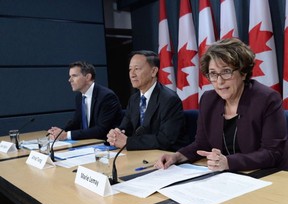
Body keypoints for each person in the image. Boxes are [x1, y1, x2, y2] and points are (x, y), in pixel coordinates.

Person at [155, 38, 288, 171]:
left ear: (243, 73)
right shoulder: (208, 100)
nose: (219, 81)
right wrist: (176, 157)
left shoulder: (267, 99)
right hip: (226, 177)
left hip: (267, 175)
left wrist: (229, 163)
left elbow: (272, 153)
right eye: (213, 74)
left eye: (226, 72)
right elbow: (202, 144)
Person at [106, 50, 189, 151]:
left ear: (153, 71)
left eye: (137, 69)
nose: (132, 74)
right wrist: (116, 134)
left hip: (165, 156)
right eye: (130, 69)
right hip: (141, 153)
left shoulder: (169, 99)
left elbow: (165, 139)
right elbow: (125, 127)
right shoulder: (134, 99)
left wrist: (128, 142)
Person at [48, 61, 123, 141]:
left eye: (74, 76)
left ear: (88, 77)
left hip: (105, 144)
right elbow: (75, 122)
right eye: (70, 76)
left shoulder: (106, 96)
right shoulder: (79, 96)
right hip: (88, 143)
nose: (70, 80)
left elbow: (101, 130)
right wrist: (59, 132)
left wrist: (66, 135)